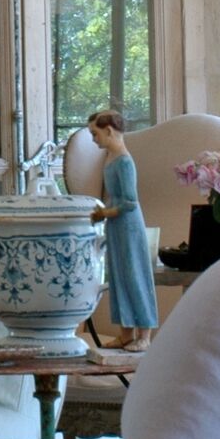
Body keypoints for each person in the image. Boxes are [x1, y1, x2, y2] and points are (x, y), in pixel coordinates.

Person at [86, 110, 159, 350]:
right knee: (119, 278)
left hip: (128, 225)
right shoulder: (110, 157)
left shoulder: (125, 162)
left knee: (135, 276)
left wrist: (103, 213)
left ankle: (144, 335)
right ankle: (126, 332)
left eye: (95, 134)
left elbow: (129, 202)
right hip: (115, 226)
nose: (94, 139)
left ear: (109, 131)